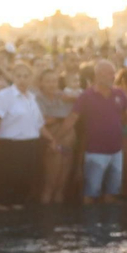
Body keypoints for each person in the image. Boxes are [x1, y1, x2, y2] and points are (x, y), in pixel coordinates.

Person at [70, 60, 127, 205]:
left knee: (112, 194)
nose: (113, 76)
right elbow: (72, 119)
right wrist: (56, 139)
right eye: (110, 73)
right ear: (98, 75)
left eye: (114, 73)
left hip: (116, 151)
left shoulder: (119, 93)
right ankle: (90, 224)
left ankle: (109, 226)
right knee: (90, 194)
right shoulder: (86, 96)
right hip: (95, 152)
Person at [0, 62, 44, 208]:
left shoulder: (32, 98)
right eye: (18, 76)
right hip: (9, 144)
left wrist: (53, 140)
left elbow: (38, 123)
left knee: (24, 181)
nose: (22, 79)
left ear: (30, 78)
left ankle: (19, 214)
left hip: (29, 144)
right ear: (12, 77)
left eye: (25, 76)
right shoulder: (3, 96)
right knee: (6, 180)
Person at [35, 68, 75, 205]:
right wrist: (60, 119)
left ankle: (60, 217)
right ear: (41, 83)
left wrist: (56, 118)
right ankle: (45, 216)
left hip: (68, 140)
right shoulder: (37, 97)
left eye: (54, 81)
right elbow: (42, 120)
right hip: (50, 139)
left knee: (62, 181)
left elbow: (74, 114)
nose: (52, 84)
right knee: (50, 181)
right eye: (48, 81)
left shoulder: (64, 96)